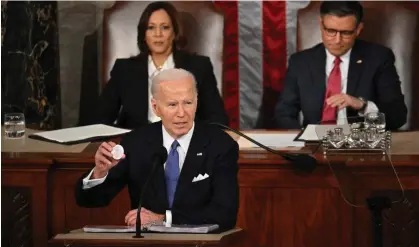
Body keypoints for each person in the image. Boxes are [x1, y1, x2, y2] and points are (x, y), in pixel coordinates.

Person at [75, 68, 239, 230]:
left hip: (199, 245)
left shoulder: (220, 145)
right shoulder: (136, 143)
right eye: (172, 104)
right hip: (149, 244)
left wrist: (163, 219)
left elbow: (225, 214)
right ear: (155, 107)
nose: (181, 113)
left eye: (188, 103)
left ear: (196, 101)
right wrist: (99, 173)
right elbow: (91, 200)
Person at [275, 1, 407, 130]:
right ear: (321, 25)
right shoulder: (300, 62)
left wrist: (363, 106)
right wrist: (302, 138)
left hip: (360, 144)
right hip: (313, 146)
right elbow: (284, 114)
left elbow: (398, 117)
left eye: (346, 33)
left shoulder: (379, 58)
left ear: (358, 29)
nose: (337, 40)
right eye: (331, 31)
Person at [96, 1, 228, 129]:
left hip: (186, 142)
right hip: (137, 142)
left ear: (174, 33)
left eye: (165, 27)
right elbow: (99, 119)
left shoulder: (199, 67)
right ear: (144, 34)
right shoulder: (124, 69)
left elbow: (218, 119)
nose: (157, 34)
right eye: (151, 28)